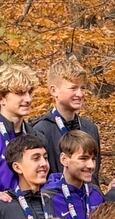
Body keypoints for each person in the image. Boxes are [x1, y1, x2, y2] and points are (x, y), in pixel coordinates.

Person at [41, 130, 105, 219]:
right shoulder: (49, 196)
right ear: (64, 159)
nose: (90, 165)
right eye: (83, 158)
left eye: (93, 159)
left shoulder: (95, 194)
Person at [31, 55, 101, 183]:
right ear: (54, 91)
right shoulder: (40, 130)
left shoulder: (90, 129)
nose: (80, 94)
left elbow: (94, 177)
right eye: (73, 88)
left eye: (82, 88)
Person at [0, 63, 39, 199]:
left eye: (29, 92)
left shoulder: (37, 137)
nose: (28, 99)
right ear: (0, 99)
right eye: (20, 93)